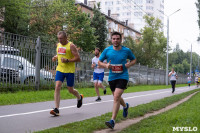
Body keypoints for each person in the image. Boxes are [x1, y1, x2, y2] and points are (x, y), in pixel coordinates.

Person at [98, 32, 136, 129]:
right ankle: (125, 106)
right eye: (114, 38)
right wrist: (106, 65)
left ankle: (112, 121)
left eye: (117, 38)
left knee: (116, 97)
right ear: (111, 40)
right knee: (116, 97)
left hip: (123, 76)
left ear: (121, 40)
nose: (115, 40)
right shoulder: (107, 50)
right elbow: (99, 62)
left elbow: (134, 59)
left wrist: (129, 64)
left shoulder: (126, 50)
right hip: (112, 77)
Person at [50, 31, 83, 116]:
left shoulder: (71, 46)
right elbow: (60, 54)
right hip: (60, 69)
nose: (59, 40)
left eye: (61, 38)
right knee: (57, 86)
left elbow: (78, 58)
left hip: (69, 71)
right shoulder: (58, 45)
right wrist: (55, 57)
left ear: (66, 38)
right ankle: (56, 109)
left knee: (70, 90)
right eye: (58, 38)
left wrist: (67, 60)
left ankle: (79, 97)